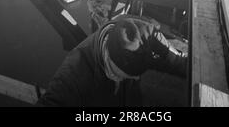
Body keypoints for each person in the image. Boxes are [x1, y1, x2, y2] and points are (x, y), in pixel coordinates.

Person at [36, 16, 187, 107]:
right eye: (121, 74)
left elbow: (176, 62)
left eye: (135, 76)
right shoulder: (74, 72)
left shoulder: (147, 36)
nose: (135, 78)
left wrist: (176, 60)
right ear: (108, 58)